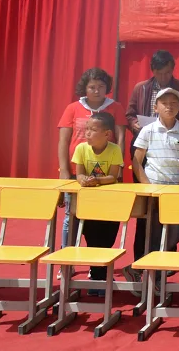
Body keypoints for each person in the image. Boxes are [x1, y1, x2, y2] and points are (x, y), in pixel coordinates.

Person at [125, 88, 179, 285]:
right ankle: (147, 276)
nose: (169, 107)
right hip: (152, 190)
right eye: (164, 103)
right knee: (150, 233)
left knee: (172, 235)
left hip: (174, 192)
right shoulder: (147, 130)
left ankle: (148, 274)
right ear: (156, 107)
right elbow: (137, 162)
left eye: (173, 103)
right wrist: (148, 187)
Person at [57, 67, 129, 246]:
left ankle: (97, 254)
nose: (97, 91)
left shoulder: (115, 107)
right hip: (78, 172)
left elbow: (120, 138)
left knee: (101, 216)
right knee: (71, 215)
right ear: (85, 88)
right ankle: (67, 254)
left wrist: (119, 168)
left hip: (106, 173)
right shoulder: (73, 108)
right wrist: (64, 170)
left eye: (101, 86)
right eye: (92, 87)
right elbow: (63, 141)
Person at [71, 112, 124, 289]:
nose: (87, 133)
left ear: (107, 134)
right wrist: (83, 180)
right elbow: (79, 174)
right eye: (86, 129)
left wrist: (97, 180)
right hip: (89, 202)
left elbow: (113, 176)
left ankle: (103, 276)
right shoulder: (81, 148)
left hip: (110, 202)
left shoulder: (115, 149)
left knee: (107, 239)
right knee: (92, 238)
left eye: (93, 130)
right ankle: (96, 277)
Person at [125, 50, 179, 137]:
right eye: (159, 73)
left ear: (172, 69)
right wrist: (134, 124)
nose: (163, 77)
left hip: (175, 139)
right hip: (145, 138)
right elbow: (129, 116)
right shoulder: (141, 89)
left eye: (167, 73)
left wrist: (176, 124)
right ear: (152, 71)